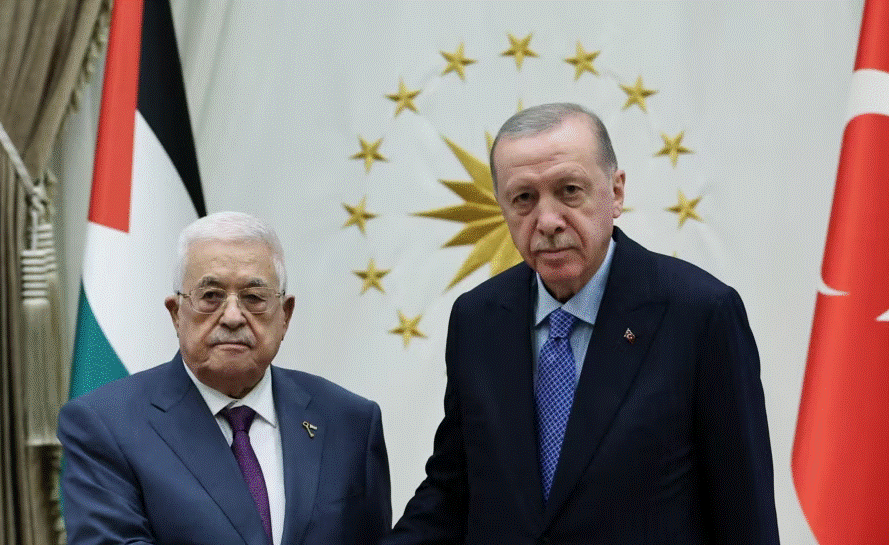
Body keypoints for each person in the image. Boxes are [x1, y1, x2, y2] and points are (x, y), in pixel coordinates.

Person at [385, 103, 779, 543]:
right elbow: (453, 492)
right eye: (524, 198)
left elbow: (745, 515)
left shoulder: (700, 314)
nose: (548, 222)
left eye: (569, 190)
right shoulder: (477, 320)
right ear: (503, 208)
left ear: (616, 192)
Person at [59, 211, 391, 545]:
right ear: (176, 314)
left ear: (285, 315)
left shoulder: (350, 422)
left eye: (254, 298)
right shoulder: (105, 425)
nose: (233, 317)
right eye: (211, 296)